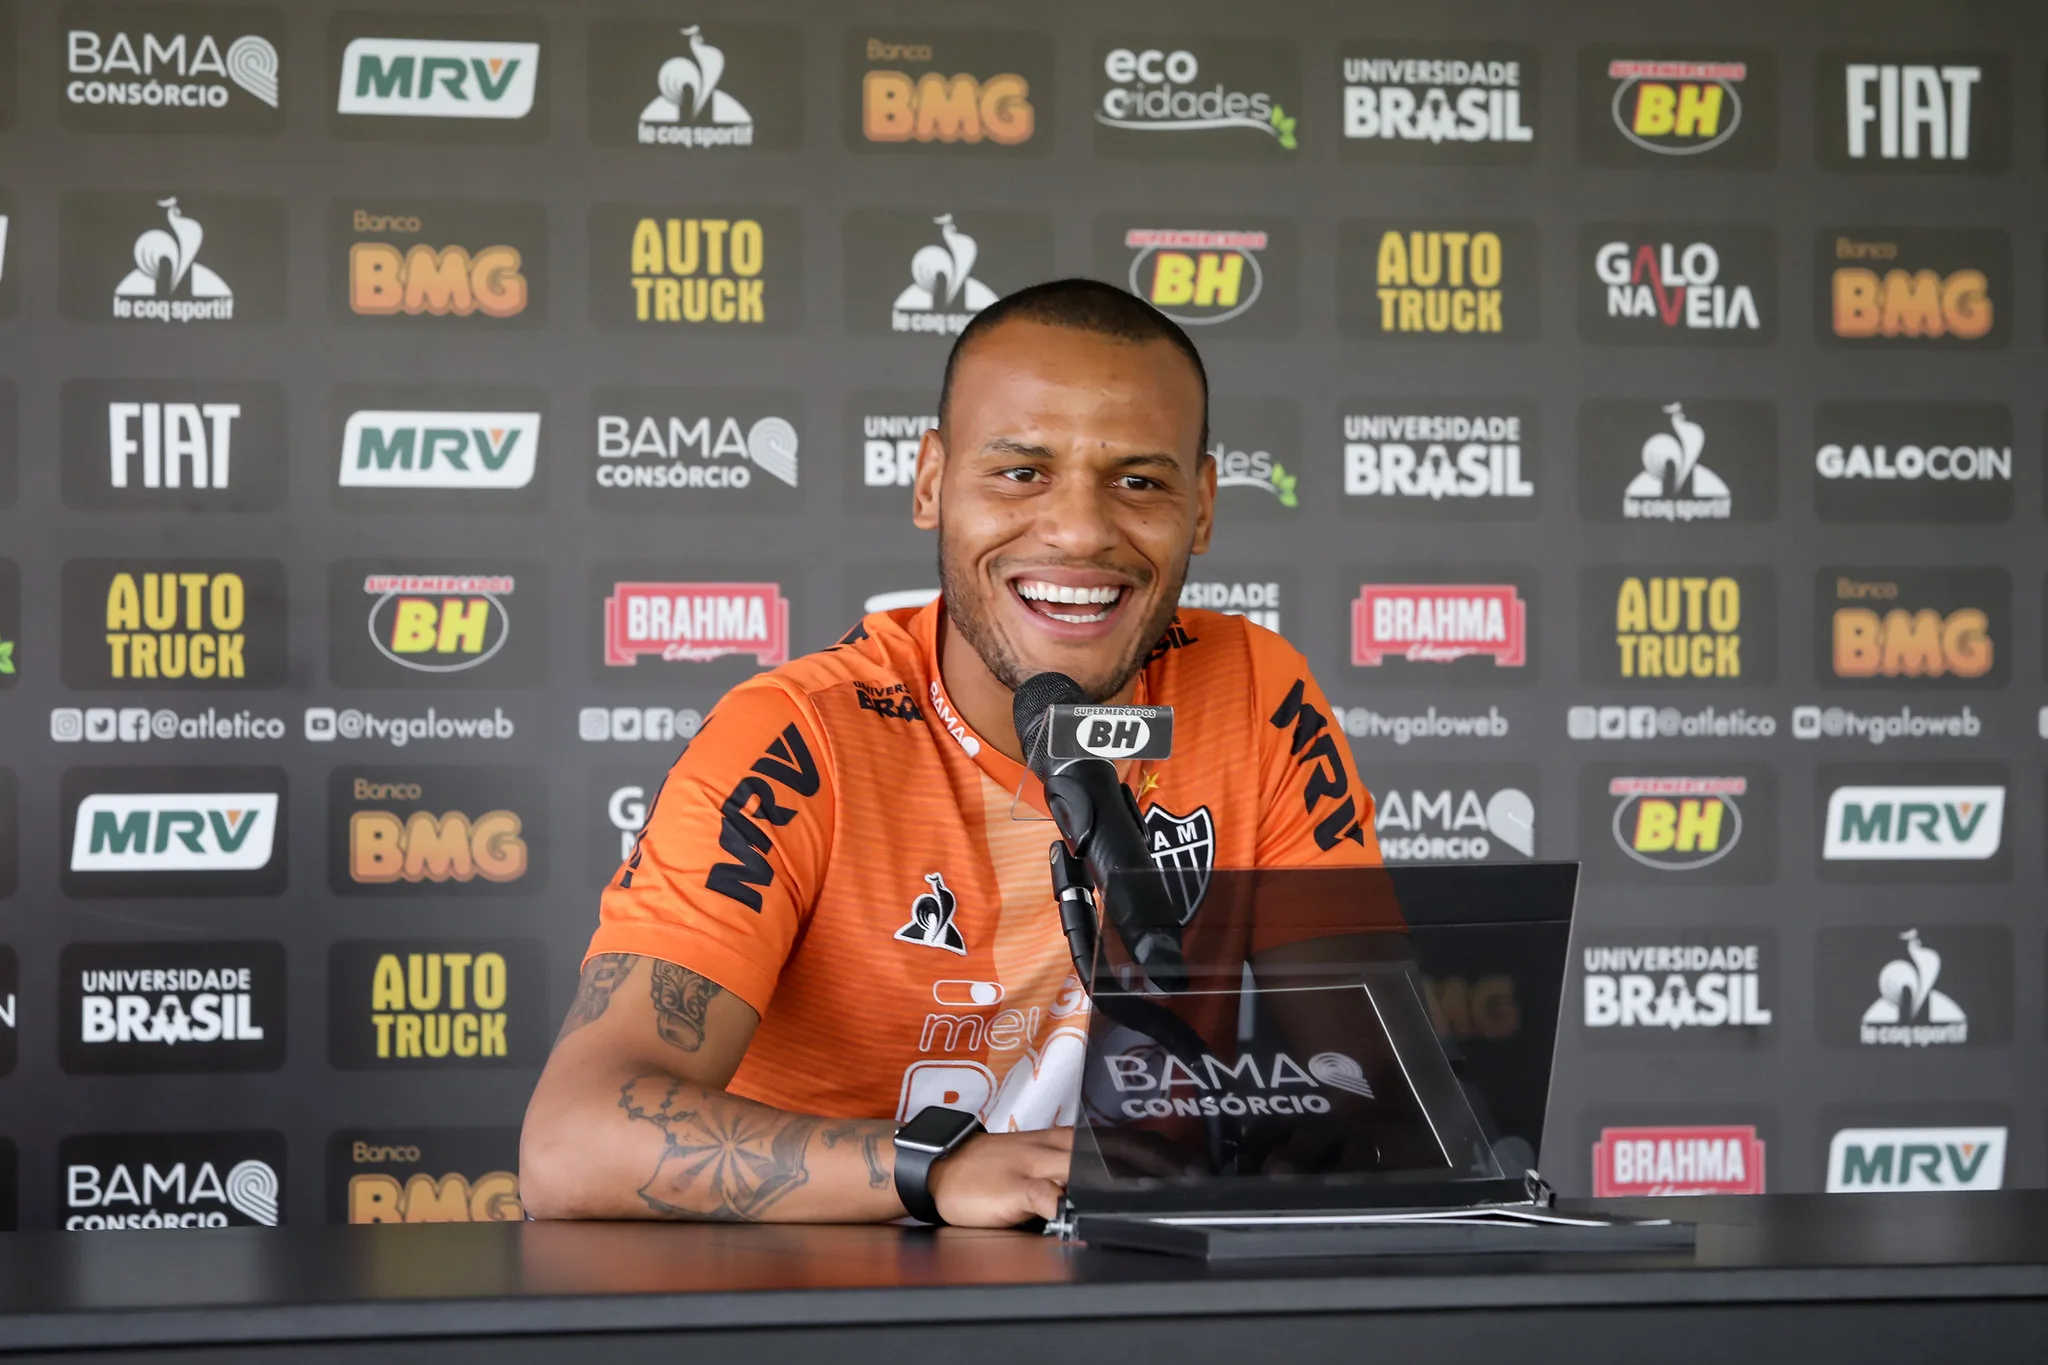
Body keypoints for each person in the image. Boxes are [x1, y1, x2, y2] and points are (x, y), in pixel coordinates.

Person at [520, 279, 1382, 1227]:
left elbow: (1378, 1071)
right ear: (931, 482)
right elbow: (572, 1142)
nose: (1081, 530)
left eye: (1138, 481)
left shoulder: (1254, 688)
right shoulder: (801, 733)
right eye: (1020, 472)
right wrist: (935, 1166)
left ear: (1204, 506)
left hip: (1133, 1303)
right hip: (834, 1311)